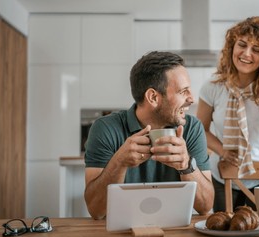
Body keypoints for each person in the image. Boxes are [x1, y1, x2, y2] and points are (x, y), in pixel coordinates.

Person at [84, 51, 214, 220]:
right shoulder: (106, 128)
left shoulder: (192, 128)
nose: (191, 98)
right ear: (153, 97)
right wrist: (119, 162)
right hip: (121, 233)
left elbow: (206, 207)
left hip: (176, 231)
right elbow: (96, 210)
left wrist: (187, 165)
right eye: (183, 91)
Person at [196, 16, 259, 212]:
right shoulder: (213, 87)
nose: (246, 53)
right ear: (232, 46)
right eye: (242, 45)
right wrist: (223, 150)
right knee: (224, 233)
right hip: (221, 175)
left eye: (256, 50)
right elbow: (200, 130)